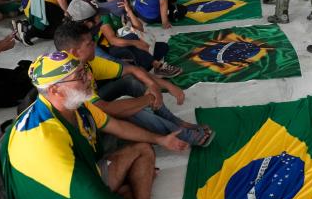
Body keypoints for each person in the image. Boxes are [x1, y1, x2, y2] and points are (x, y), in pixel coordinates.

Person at [1, 51, 185, 199]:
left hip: (83, 175)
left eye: (85, 71)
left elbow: (118, 127)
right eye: (79, 76)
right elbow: (91, 195)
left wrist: (162, 139)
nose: (89, 77)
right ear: (55, 90)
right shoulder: (41, 137)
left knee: (144, 149)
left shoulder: (77, 105)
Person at [53, 22, 207, 147]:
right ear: (74, 52)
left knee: (132, 82)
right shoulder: (70, 80)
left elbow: (132, 70)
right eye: (89, 43)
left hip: (95, 107)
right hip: (86, 130)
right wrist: (147, 99)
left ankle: (177, 122)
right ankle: (179, 133)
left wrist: (154, 87)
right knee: (131, 109)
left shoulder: (85, 62)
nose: (95, 45)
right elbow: (105, 109)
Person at [89, 0, 180, 77]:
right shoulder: (104, 14)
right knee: (132, 38)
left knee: (163, 47)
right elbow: (113, 41)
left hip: (125, 44)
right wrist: (135, 43)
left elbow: (140, 28)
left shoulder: (120, 9)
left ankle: (138, 64)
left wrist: (129, 11)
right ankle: (157, 66)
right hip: (111, 49)